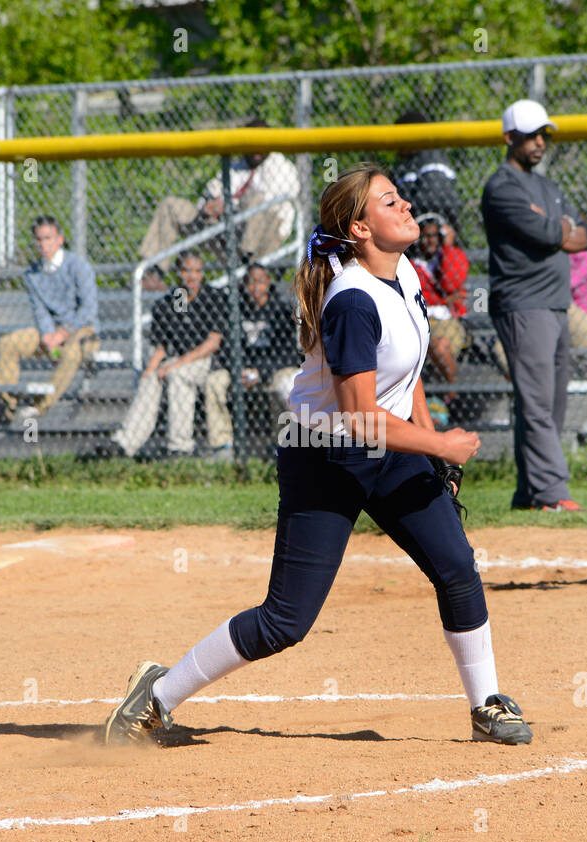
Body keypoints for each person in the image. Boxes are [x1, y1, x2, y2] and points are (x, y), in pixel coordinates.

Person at [103, 163, 533, 748]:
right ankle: (153, 699)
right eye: (390, 202)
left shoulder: (405, 272)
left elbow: (406, 379)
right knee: (286, 621)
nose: (407, 207)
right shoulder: (351, 300)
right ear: (359, 228)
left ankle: (486, 705)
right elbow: (357, 416)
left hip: (392, 446)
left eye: (401, 199)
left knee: (457, 566)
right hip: (326, 456)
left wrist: (434, 452)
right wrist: (439, 443)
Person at [481, 99, 587, 512]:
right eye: (530, 136)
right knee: (538, 400)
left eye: (543, 135)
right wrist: (559, 229)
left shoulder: (548, 187)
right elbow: (548, 232)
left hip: (557, 305)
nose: (539, 142)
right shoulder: (501, 187)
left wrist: (559, 229)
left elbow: (584, 233)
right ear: (509, 138)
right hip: (523, 304)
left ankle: (529, 492)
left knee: (551, 402)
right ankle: (551, 492)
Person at [138, 119, 299, 289]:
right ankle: (153, 272)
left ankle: (247, 269)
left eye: (261, 144)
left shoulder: (280, 165)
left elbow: (271, 206)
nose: (256, 150)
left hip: (264, 236)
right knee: (170, 206)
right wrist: (208, 207)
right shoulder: (235, 168)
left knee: (255, 201)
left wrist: (229, 207)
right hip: (224, 231)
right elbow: (212, 191)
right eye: (252, 144)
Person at [108, 251, 232, 458]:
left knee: (177, 375)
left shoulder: (214, 297)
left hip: (208, 361)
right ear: (177, 273)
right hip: (178, 360)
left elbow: (213, 343)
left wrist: (173, 366)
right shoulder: (173, 301)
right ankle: (124, 444)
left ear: (203, 274)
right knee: (151, 380)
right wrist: (149, 371)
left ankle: (180, 446)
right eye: (186, 270)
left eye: (197, 271)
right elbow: (162, 346)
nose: (192, 276)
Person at [0, 216, 99, 423]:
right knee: (8, 343)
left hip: (81, 331)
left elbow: (88, 309)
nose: (43, 244)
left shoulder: (78, 266)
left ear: (60, 239)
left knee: (70, 353)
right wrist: (47, 336)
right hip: (52, 334)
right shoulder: (32, 275)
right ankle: (7, 407)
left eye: (48, 238)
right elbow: (40, 310)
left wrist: (63, 333)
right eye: (39, 239)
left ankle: (39, 405)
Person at [228, 263, 303, 427]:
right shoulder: (237, 311)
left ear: (268, 283)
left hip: (276, 366)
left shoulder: (280, 310)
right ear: (244, 285)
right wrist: (241, 368)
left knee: (284, 384)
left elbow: (287, 353)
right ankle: (223, 443)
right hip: (246, 369)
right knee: (217, 381)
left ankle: (287, 439)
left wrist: (261, 371)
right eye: (251, 282)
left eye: (260, 281)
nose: (255, 286)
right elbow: (231, 348)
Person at [410, 213, 469, 407]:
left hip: (447, 321)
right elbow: (412, 296)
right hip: (419, 320)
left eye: (435, 236)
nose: (429, 241)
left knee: (439, 345)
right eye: (425, 236)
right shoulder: (409, 264)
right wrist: (444, 300)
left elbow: (451, 283)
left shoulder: (453, 255)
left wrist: (448, 248)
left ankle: (455, 392)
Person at [393, 110, 465, 244]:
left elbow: (436, 201)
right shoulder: (404, 165)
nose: (396, 143)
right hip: (411, 237)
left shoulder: (431, 156)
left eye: (399, 136)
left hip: (436, 234)